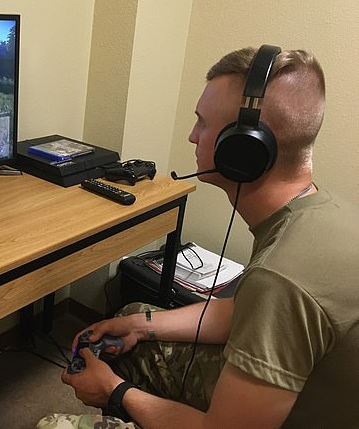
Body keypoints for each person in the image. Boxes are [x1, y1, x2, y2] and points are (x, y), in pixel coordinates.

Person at [37, 46, 359, 428]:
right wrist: (142, 326)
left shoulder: (281, 277)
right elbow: (241, 312)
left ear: (244, 149)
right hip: (308, 389)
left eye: (203, 124)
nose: (192, 137)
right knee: (132, 315)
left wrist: (113, 391)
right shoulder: (324, 212)